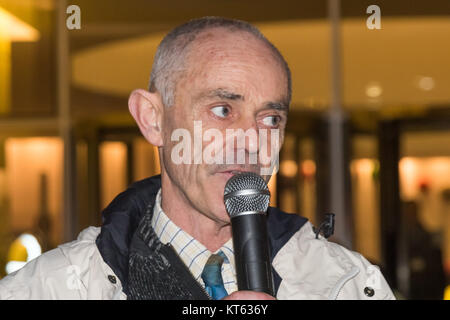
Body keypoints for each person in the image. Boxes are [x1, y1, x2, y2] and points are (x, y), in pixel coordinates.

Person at [0, 16, 395, 300]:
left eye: (271, 118)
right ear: (152, 119)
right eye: (222, 110)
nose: (251, 140)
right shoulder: (49, 288)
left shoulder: (347, 283)